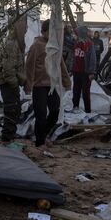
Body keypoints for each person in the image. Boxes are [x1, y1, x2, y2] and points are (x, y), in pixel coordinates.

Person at [24, 19, 71, 147]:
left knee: (55, 110)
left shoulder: (55, 45)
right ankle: (39, 143)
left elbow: (61, 64)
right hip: (39, 85)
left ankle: (43, 135)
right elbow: (29, 66)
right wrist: (28, 85)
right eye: (51, 31)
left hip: (50, 86)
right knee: (41, 114)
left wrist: (67, 81)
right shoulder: (36, 45)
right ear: (44, 31)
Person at [0, 28, 24, 141]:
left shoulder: (14, 42)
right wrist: (14, 83)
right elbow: (8, 68)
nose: (25, 30)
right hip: (7, 82)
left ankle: (10, 134)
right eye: (24, 27)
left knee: (14, 108)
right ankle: (7, 137)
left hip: (8, 81)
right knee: (12, 109)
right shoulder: (12, 44)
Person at [71, 26, 97, 113]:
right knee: (76, 91)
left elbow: (92, 58)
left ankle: (87, 111)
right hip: (76, 71)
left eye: (76, 33)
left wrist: (91, 72)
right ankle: (75, 107)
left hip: (85, 72)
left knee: (85, 92)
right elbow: (73, 57)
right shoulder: (76, 43)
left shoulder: (89, 44)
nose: (75, 35)